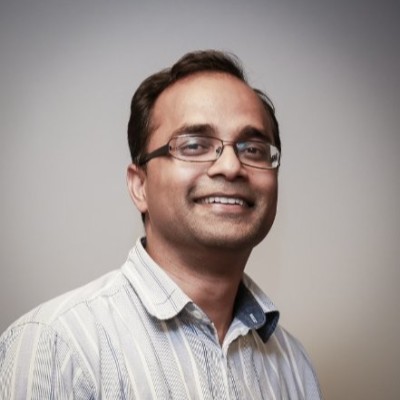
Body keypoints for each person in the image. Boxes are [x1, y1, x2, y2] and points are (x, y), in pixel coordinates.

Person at [0, 50, 322, 399]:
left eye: (253, 149)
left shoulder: (293, 364)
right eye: (194, 145)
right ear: (140, 186)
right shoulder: (58, 346)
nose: (231, 167)